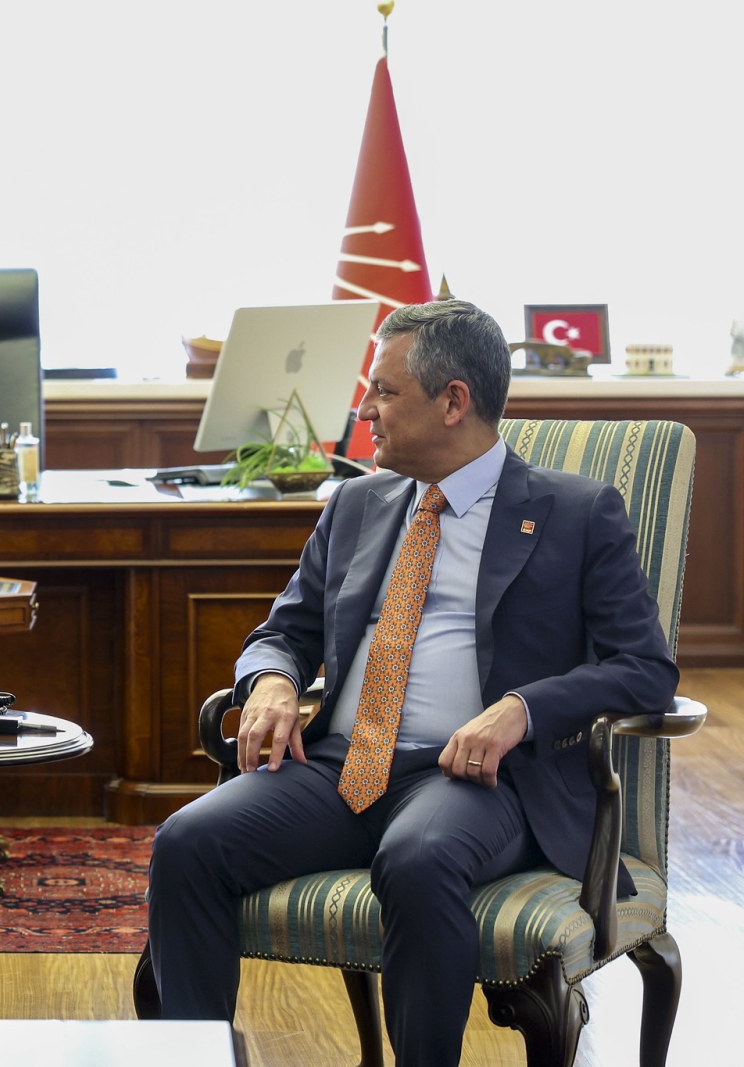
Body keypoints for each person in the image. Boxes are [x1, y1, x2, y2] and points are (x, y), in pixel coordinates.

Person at [146, 299, 678, 1064]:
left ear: (453, 401)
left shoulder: (575, 511)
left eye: (384, 392)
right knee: (187, 841)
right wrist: (270, 682)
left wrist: (521, 709)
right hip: (338, 766)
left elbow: (646, 669)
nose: (365, 411)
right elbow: (283, 632)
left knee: (418, 856)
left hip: (474, 779)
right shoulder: (356, 503)